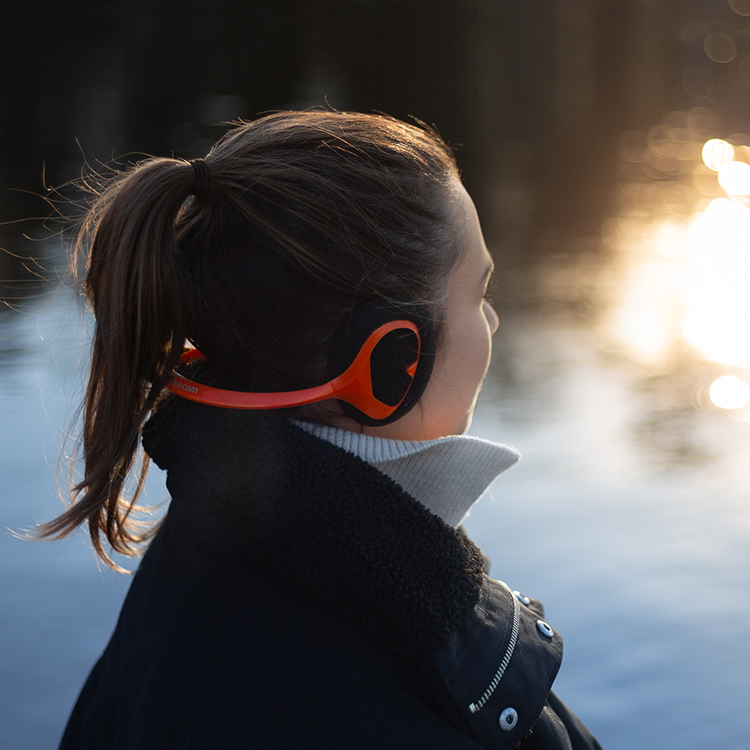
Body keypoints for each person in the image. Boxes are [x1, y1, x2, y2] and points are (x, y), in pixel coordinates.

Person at [41, 110, 602, 749]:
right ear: (393, 361)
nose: (494, 320)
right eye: (478, 293)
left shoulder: (211, 550)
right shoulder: (347, 701)